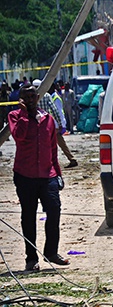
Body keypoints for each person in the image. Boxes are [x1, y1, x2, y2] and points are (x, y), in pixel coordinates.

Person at [8, 83, 70, 272]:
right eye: (25, 97)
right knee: (28, 216)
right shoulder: (15, 117)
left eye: (32, 97)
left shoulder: (47, 119)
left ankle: (51, 252)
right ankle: (31, 258)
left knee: (54, 210)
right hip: (24, 175)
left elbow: (53, 149)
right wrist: (25, 115)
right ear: (21, 100)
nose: (29, 100)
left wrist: (58, 174)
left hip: (47, 174)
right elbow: (19, 136)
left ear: (37, 97)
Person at [34, 80, 78, 168]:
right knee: (59, 143)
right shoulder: (47, 96)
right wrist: (59, 123)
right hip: (48, 124)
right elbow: (54, 110)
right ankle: (71, 159)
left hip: (38, 125)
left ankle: (47, 163)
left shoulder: (32, 98)